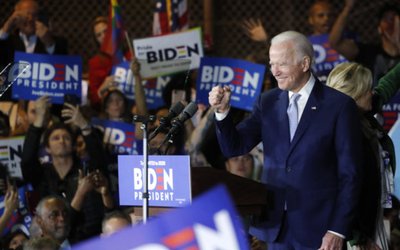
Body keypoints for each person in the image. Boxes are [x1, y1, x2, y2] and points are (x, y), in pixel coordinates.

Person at [208, 30, 363, 249]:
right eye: (272, 64)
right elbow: (234, 147)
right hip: (276, 228)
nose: (275, 72)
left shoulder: (338, 106)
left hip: (320, 230)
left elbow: (351, 174)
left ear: (305, 63)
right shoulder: (268, 102)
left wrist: (337, 229)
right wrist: (222, 113)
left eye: (282, 64)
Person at [327, 61, 400, 249]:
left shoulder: (360, 116)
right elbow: (339, 191)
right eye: (367, 89)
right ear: (354, 96)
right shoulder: (340, 136)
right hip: (352, 234)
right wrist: (358, 238)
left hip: (372, 221)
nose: (371, 92)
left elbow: (386, 87)